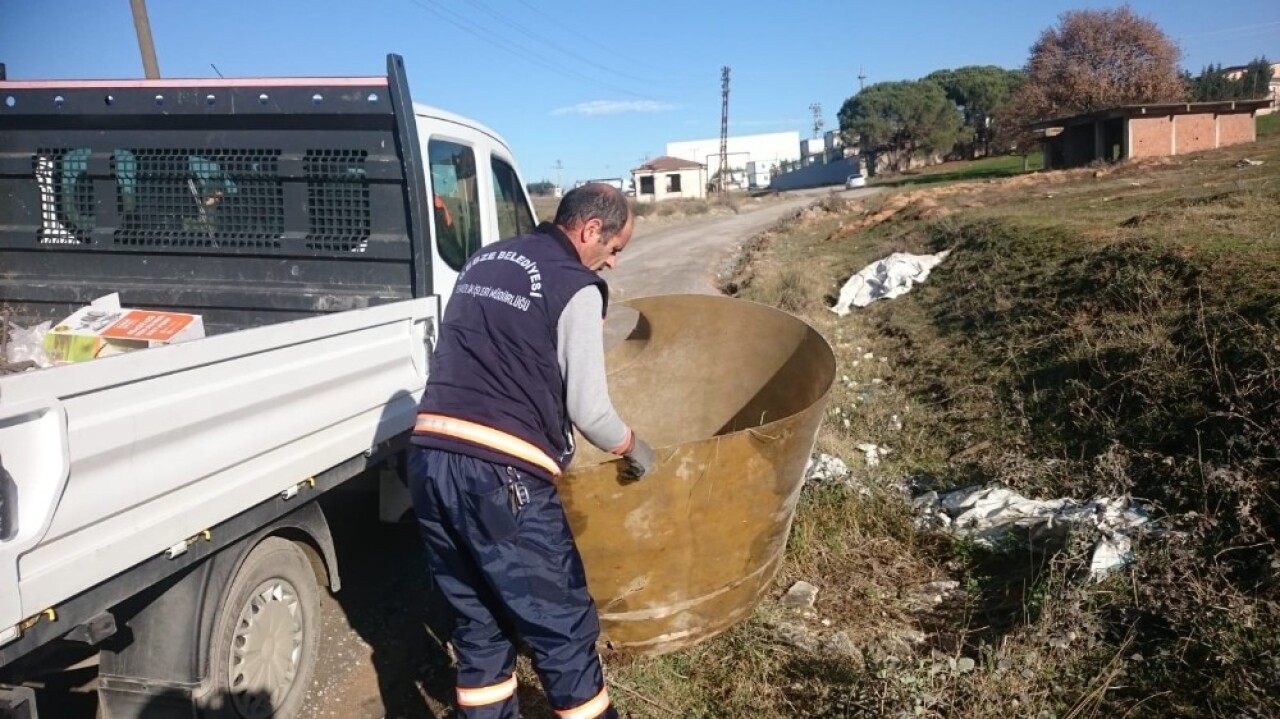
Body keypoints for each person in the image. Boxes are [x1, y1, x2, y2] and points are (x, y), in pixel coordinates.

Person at [408, 183, 656, 719]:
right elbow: (590, 411)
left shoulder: (486, 259)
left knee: (479, 625)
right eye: (614, 250)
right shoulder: (576, 285)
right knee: (560, 628)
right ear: (591, 230)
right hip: (500, 477)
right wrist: (634, 447)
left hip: (427, 460)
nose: (611, 263)